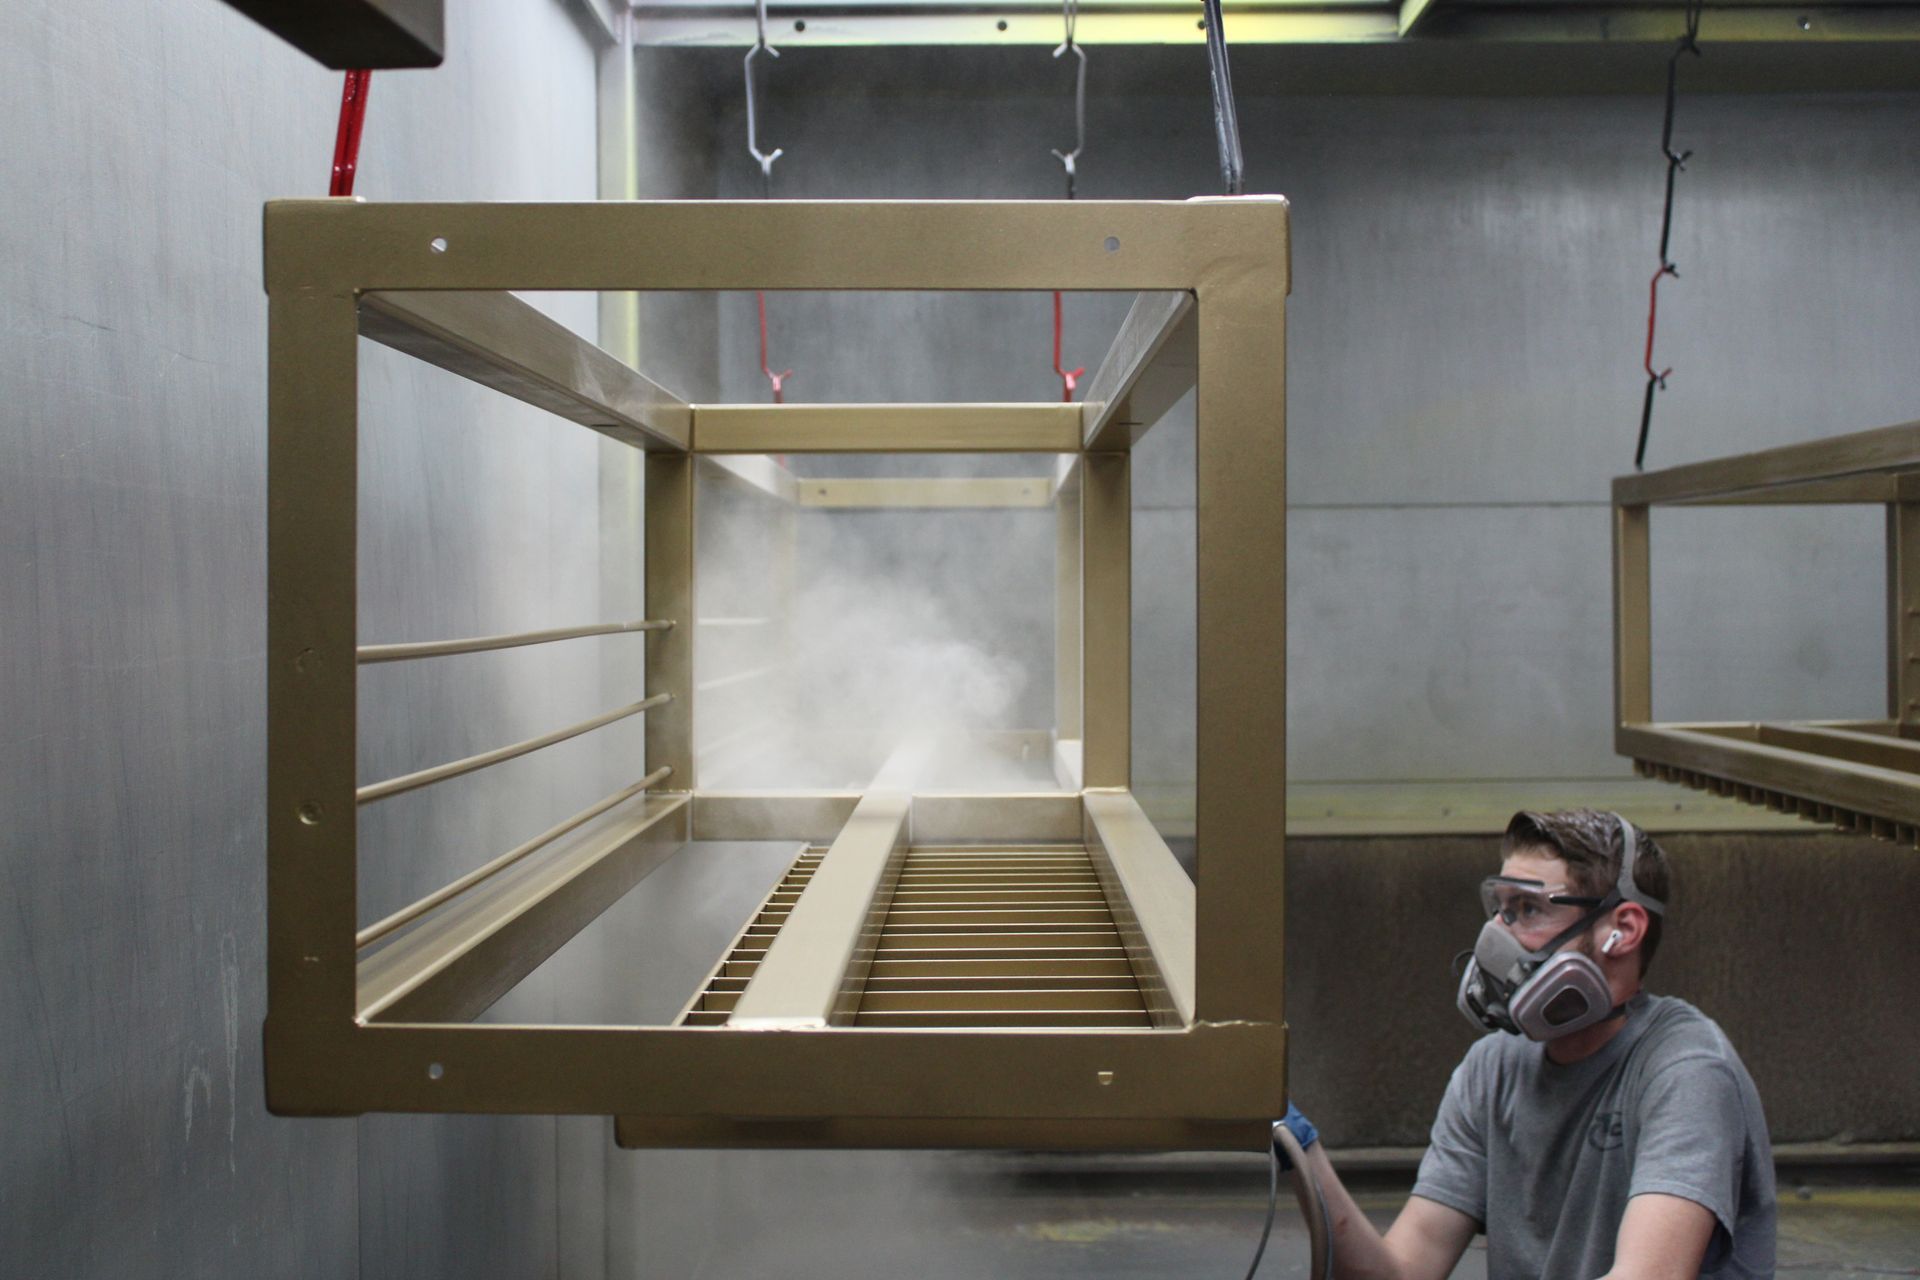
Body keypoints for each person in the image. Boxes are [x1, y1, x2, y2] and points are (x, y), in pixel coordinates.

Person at [1281, 809, 1776, 1279]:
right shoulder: (1493, 1069)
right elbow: (1402, 1272)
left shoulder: (1684, 1070)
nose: (1497, 937)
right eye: (1501, 909)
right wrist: (1303, 1149)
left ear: (1622, 931)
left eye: (1529, 909)